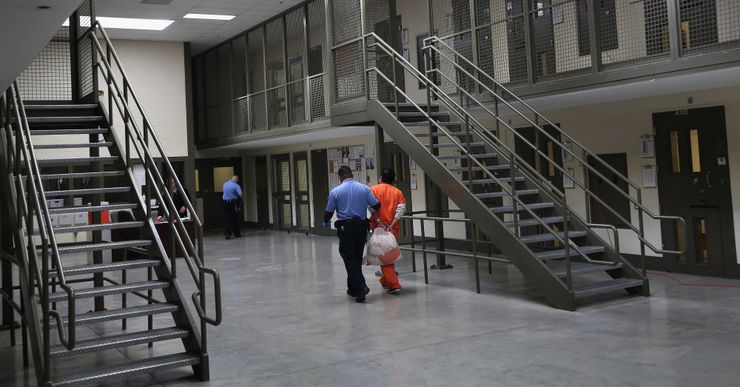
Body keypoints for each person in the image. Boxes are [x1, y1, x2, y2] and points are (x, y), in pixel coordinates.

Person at [323, 166, 381, 303]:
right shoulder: (364, 188)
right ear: (352, 174)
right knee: (355, 258)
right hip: (361, 227)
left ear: (339, 177)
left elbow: (329, 212)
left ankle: (361, 287)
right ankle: (352, 288)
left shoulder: (335, 191)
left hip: (346, 228)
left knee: (349, 258)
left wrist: (325, 221)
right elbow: (377, 205)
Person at [370, 168, 406, 294]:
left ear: (381, 178)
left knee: (385, 257)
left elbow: (371, 207)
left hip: (379, 228)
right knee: (389, 255)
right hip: (392, 229)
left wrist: (379, 221)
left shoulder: (374, 190)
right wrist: (392, 224)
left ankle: (394, 284)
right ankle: (384, 281)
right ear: (393, 180)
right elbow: (401, 209)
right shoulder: (397, 192)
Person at [222, 175, 242, 239]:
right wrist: (239, 203)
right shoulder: (236, 186)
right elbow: (240, 194)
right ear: (236, 180)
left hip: (225, 202)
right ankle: (237, 233)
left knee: (227, 218)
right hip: (233, 203)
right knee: (234, 218)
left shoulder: (225, 184)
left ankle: (227, 233)